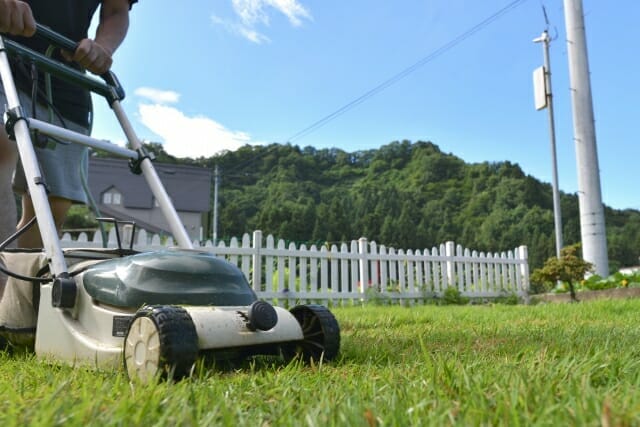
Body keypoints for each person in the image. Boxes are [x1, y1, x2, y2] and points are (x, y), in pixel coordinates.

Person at [0, 0, 137, 249]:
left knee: (52, 207)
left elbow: (117, 10)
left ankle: (18, 286)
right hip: (4, 48)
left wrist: (102, 47)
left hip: (65, 75)